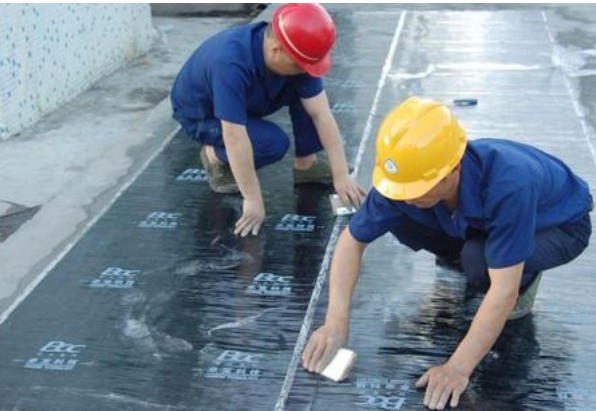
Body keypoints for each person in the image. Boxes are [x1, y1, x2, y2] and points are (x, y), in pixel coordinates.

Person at [302, 97, 593, 410]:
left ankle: (525, 272)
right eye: (402, 188)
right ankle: (468, 251)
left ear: (453, 169)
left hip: (559, 228)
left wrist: (457, 368)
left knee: (480, 260)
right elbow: (351, 241)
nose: (407, 196)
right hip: (479, 217)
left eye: (416, 188)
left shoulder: (509, 184)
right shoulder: (406, 177)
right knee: (403, 219)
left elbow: (503, 290)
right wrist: (335, 322)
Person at [170, 3, 366, 238]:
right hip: (204, 114)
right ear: (275, 50)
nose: (304, 70)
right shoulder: (230, 63)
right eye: (299, 65)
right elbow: (234, 135)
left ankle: (306, 165)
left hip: (246, 99)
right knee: (271, 143)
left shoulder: (293, 54)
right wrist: (252, 199)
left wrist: (341, 174)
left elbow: (321, 113)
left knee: (306, 94)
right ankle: (213, 154)